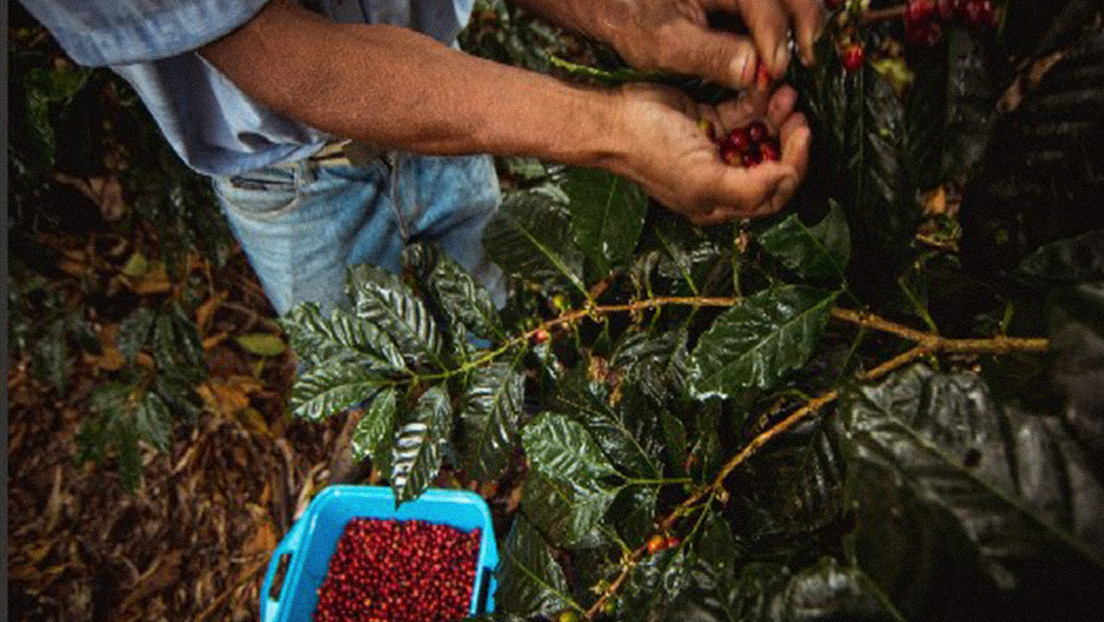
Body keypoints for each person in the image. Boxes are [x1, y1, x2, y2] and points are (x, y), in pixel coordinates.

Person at [18, 0, 819, 315]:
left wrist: (622, 16)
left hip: (450, 109)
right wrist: (614, 132)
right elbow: (296, 60)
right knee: (389, 407)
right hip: (291, 185)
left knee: (497, 322)